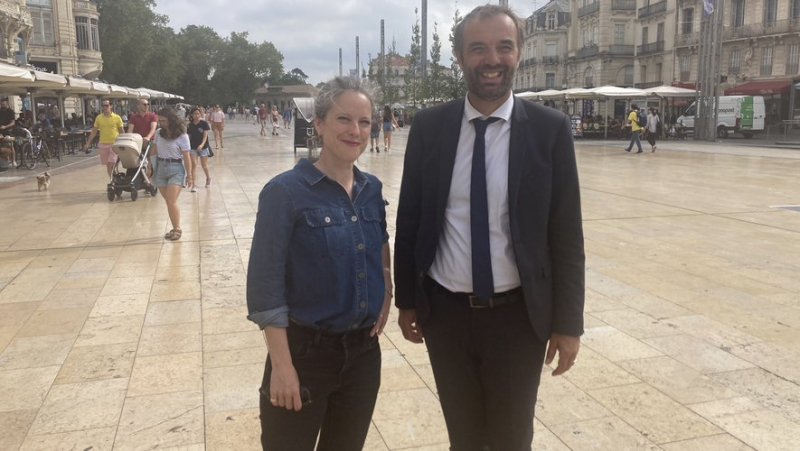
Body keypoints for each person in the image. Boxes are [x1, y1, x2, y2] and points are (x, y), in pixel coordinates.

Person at [394, 5, 585, 450]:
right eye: (478, 48)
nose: (492, 59)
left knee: (511, 438)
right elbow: (411, 218)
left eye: (504, 47)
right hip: (446, 315)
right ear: (460, 57)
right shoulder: (429, 127)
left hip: (519, 319)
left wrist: (568, 323)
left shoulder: (549, 130)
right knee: (463, 436)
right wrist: (407, 300)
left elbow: (566, 234)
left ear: (518, 52)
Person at [246, 76, 391, 451]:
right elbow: (265, 287)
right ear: (320, 124)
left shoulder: (371, 189)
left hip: (362, 356)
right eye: (344, 119)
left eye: (364, 122)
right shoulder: (285, 192)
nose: (355, 130)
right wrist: (281, 366)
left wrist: (386, 290)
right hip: (304, 355)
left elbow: (380, 245)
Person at [150, 108, 191, 241]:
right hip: (161, 168)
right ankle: (174, 228)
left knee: (171, 200)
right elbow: (154, 150)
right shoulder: (158, 133)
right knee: (168, 202)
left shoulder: (182, 136)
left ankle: (177, 228)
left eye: (164, 120)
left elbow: (186, 156)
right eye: (159, 120)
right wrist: (149, 166)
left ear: (171, 120)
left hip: (176, 168)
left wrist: (190, 175)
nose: (161, 123)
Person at [82, 100, 125, 179]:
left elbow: (121, 131)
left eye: (107, 106)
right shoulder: (99, 118)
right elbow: (94, 131)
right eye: (103, 106)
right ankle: (113, 179)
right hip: (103, 144)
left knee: (110, 163)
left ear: (111, 106)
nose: (105, 107)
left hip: (114, 144)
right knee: (108, 165)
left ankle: (113, 180)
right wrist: (88, 143)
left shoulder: (117, 117)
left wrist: (124, 141)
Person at [187, 107, 212, 191]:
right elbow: (189, 137)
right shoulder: (190, 125)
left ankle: (208, 178)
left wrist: (201, 145)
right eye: (195, 114)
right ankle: (195, 184)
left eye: (198, 113)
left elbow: (205, 136)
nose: (197, 115)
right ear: (191, 115)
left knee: (204, 165)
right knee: (193, 165)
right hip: (193, 147)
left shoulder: (204, 124)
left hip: (203, 147)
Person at [0, 99, 16, 167]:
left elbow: (12, 122)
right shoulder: (0, 111)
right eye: (1, 104)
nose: (2, 105)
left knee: (10, 145)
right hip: (0, 130)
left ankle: (13, 161)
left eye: (3, 104)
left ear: (7, 103)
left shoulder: (10, 111)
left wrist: (5, 127)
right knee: (2, 146)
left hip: (8, 130)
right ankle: (5, 161)